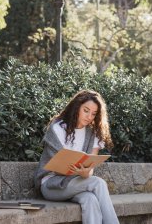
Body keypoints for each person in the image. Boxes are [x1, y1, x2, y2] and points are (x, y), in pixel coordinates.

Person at [34, 90, 119, 224]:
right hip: (51, 185)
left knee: (90, 199)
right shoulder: (58, 128)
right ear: (76, 107)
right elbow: (56, 166)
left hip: (75, 184)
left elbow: (90, 168)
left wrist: (86, 173)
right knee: (99, 183)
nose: (89, 116)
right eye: (86, 110)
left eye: (94, 114)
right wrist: (77, 174)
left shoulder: (93, 134)